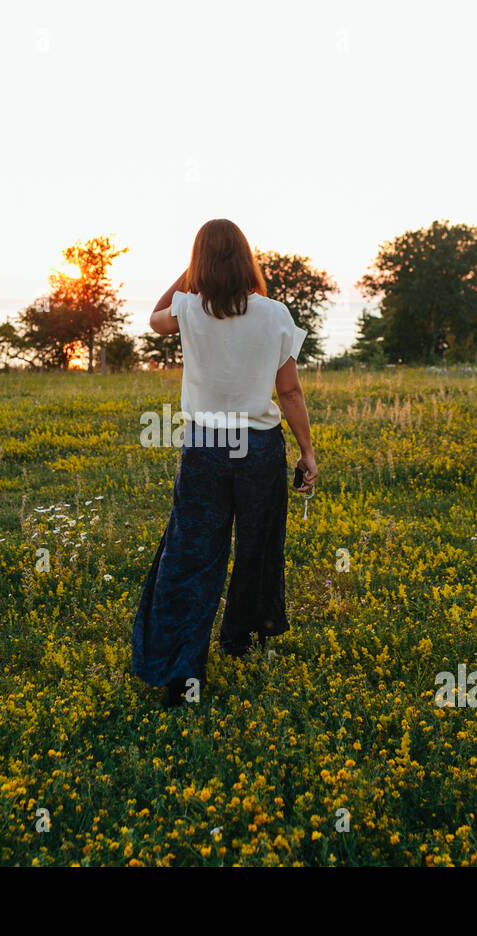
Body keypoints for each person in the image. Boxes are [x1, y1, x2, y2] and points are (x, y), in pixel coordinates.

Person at [131, 218, 317, 709]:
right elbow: (290, 390)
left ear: (201, 263)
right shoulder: (275, 313)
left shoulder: (188, 307)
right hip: (259, 448)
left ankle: (180, 673)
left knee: (192, 557)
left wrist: (190, 272)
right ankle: (241, 641)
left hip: (206, 448)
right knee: (257, 549)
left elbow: (154, 316)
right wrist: (307, 451)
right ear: (246, 259)